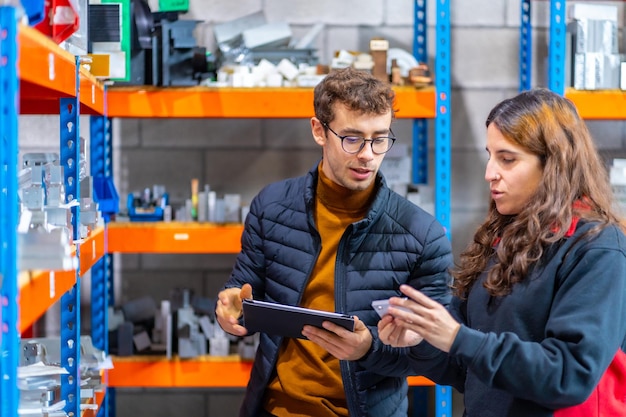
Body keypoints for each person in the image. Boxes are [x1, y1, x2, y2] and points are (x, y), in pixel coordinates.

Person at [215, 67, 453, 417]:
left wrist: (368, 348)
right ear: (318, 131)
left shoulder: (422, 235)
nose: (368, 155)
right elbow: (241, 290)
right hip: (277, 409)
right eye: (352, 138)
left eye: (380, 138)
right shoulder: (271, 207)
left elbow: (438, 355)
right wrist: (229, 309)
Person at [376, 88, 626, 416]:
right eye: (490, 155)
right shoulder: (505, 239)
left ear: (553, 164)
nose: (489, 172)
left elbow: (569, 376)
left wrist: (457, 338)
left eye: (507, 159)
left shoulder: (597, 248)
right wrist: (421, 338)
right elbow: (469, 372)